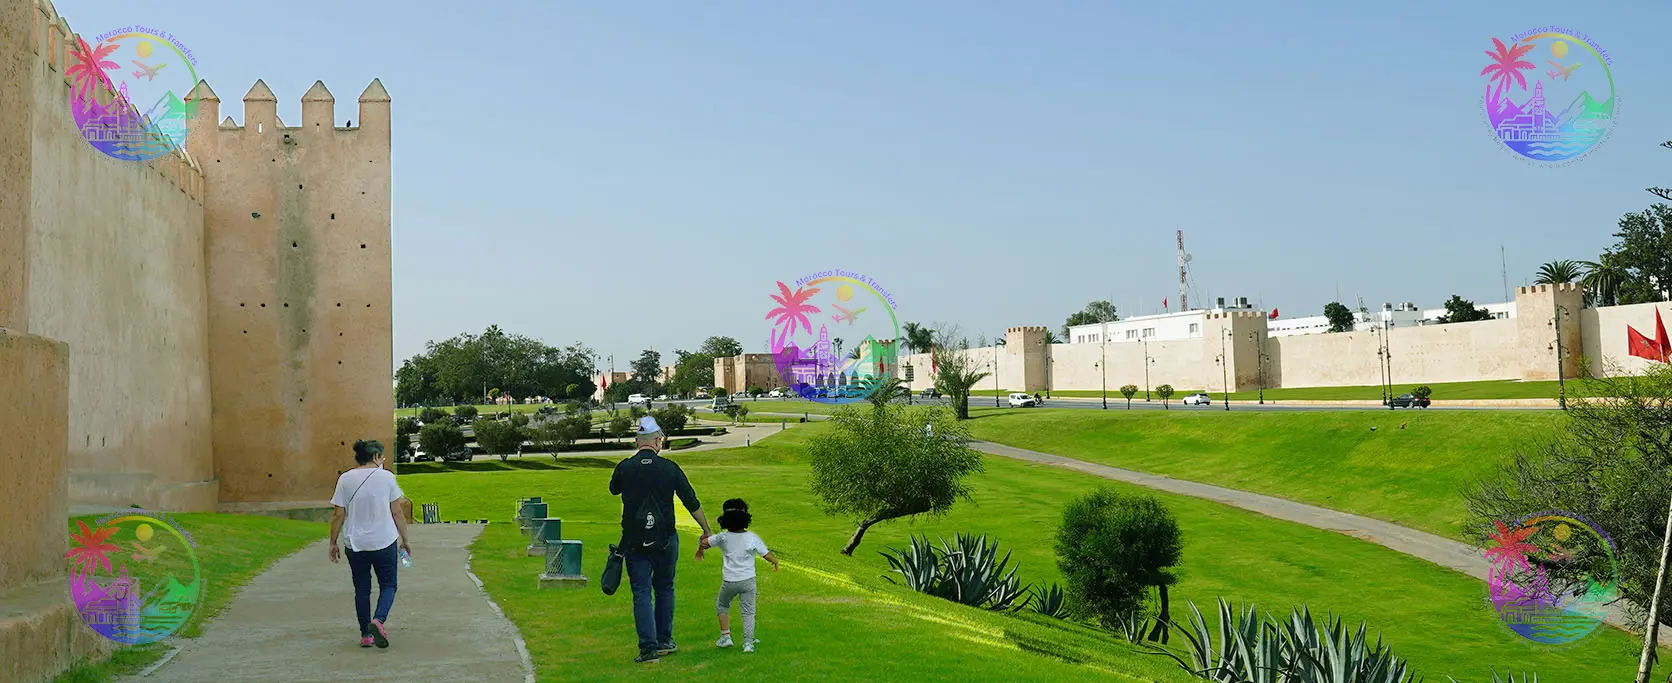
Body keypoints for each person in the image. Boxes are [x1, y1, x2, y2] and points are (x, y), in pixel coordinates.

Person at [610, 416, 714, 664]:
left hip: (634, 540)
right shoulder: (670, 468)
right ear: (657, 441)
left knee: (642, 592)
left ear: (637, 442)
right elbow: (691, 501)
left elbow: (614, 489)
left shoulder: (625, 467)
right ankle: (664, 641)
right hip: (666, 539)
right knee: (665, 588)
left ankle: (648, 649)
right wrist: (706, 529)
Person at [328, 440, 411, 649]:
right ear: (376, 457)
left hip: (355, 543)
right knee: (389, 585)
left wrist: (333, 542)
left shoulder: (345, 479)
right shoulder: (387, 478)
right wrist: (405, 540)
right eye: (382, 457)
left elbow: (338, 514)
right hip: (384, 540)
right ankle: (378, 620)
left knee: (362, 588)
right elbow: (397, 511)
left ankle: (366, 635)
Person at [696, 498, 778, 653]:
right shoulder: (752, 537)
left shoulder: (723, 537)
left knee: (722, 604)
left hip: (729, 581)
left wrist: (700, 551)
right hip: (748, 581)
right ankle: (748, 643)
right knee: (748, 612)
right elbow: (765, 554)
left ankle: (725, 637)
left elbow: (705, 542)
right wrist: (775, 562)